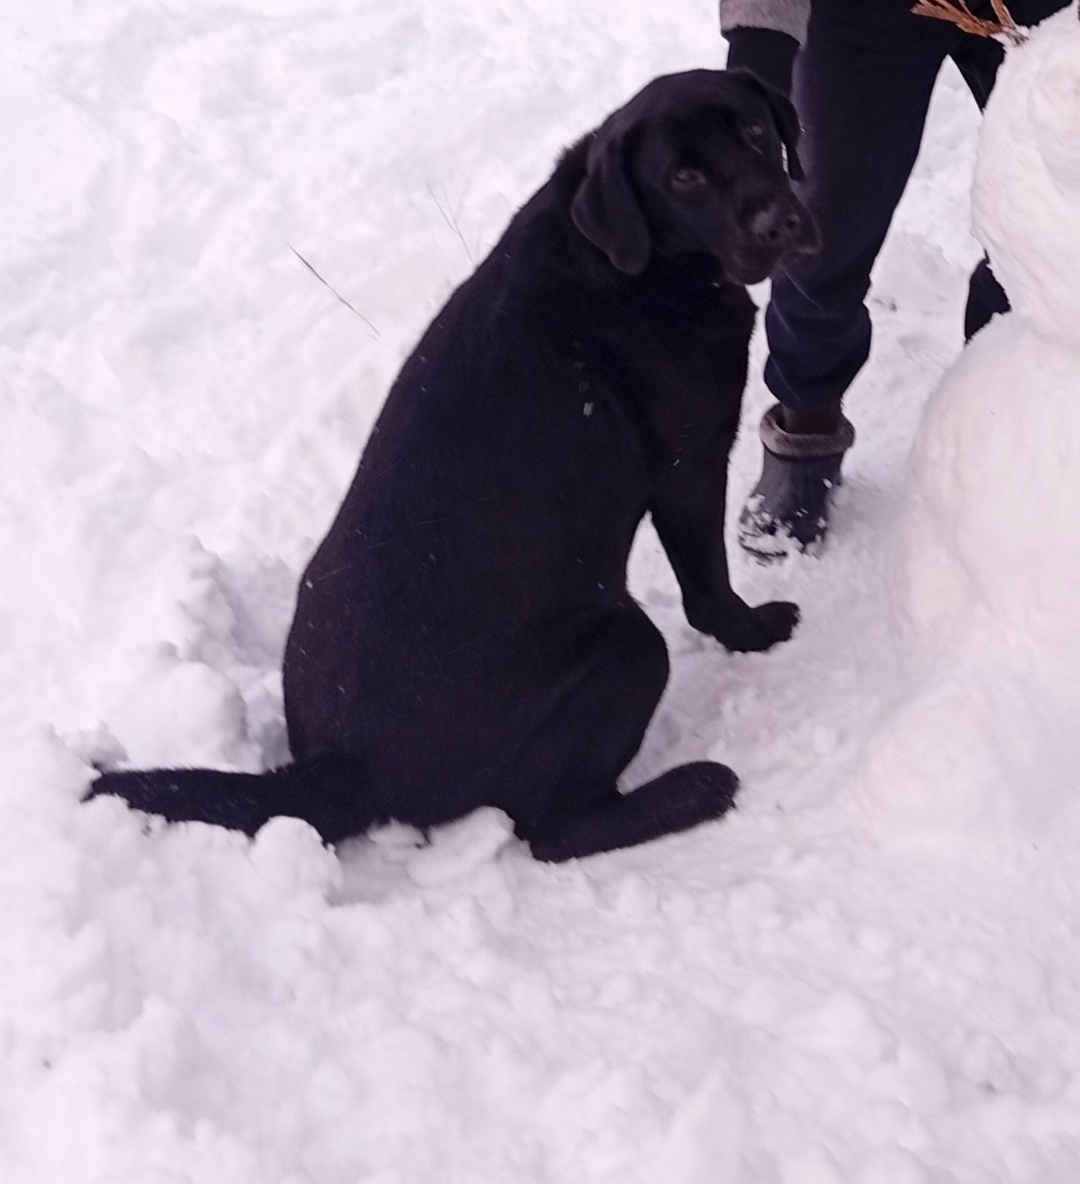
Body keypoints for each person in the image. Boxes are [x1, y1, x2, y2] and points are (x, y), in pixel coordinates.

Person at [719, 0, 1069, 558]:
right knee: (822, 227)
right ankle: (806, 424)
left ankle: (1003, 411)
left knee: (1052, 208)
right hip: (864, 15)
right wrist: (760, 41)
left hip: (1039, 7)